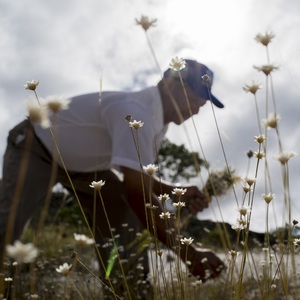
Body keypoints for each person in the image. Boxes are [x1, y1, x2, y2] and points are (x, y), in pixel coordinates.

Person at [0, 59, 225, 288]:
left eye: (202, 104)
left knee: (123, 215)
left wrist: (177, 192)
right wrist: (189, 253)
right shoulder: (136, 113)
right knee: (8, 223)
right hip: (37, 146)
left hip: (87, 168)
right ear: (169, 85)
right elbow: (140, 194)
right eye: (194, 99)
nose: (196, 109)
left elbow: (139, 179)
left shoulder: (158, 125)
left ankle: (128, 291)